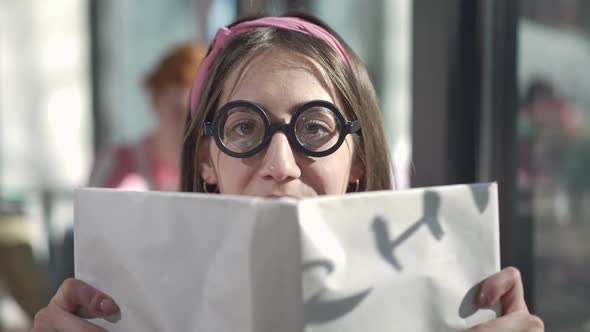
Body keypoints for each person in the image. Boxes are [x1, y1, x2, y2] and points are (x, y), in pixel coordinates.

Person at [31, 13, 544, 331]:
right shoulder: (130, 304)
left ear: (359, 158)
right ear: (207, 160)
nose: (279, 165)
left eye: (315, 129)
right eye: (244, 129)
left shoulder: (439, 303)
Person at [89, 42, 207, 191]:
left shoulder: (217, 171)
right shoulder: (115, 165)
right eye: (178, 112)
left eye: (200, 116)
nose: (187, 126)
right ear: (155, 101)